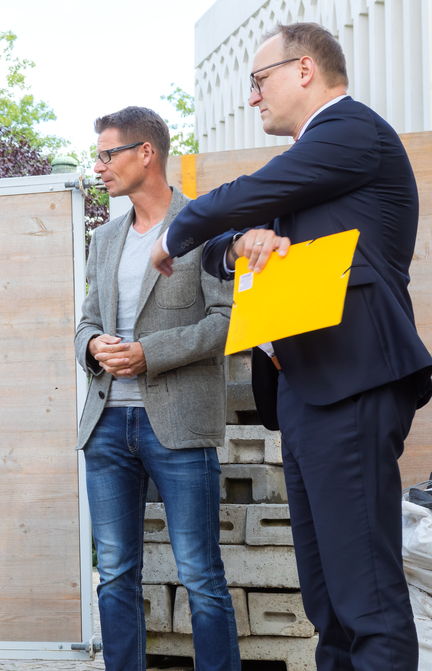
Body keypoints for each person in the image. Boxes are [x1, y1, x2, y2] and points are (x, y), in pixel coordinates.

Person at [150, 22, 432, 671]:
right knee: (327, 603)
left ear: (305, 69)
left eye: (259, 80)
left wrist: (179, 231)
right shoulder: (310, 177)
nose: (253, 97)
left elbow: (247, 195)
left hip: (353, 379)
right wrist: (237, 242)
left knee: (366, 600)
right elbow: (235, 243)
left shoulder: (350, 133)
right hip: (306, 389)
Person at [75, 107, 240, 671]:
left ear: (145, 153)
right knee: (115, 572)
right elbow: (86, 322)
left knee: (200, 573)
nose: (98, 166)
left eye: (106, 153)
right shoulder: (104, 237)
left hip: (178, 423)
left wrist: (150, 355)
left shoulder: (205, 227)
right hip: (105, 427)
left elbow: (225, 323)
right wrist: (94, 345)